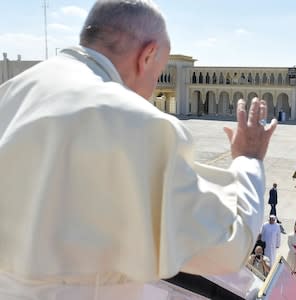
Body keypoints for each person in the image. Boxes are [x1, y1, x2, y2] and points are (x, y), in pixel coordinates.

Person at [0, 0, 279, 297]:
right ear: (147, 56)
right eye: (158, 74)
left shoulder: (10, 94)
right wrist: (248, 160)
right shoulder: (135, 122)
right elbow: (227, 246)